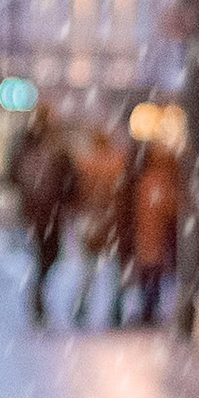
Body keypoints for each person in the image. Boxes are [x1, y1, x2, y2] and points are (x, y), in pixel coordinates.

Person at [10, 106, 78, 331]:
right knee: (49, 253)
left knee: (44, 253)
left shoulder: (27, 144)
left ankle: (37, 291)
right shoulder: (54, 147)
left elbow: (13, 174)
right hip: (48, 210)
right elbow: (69, 179)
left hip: (36, 210)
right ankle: (38, 293)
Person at [125, 128, 183, 331]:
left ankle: (147, 310)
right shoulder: (164, 182)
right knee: (153, 277)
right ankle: (149, 310)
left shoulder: (146, 180)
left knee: (148, 277)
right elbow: (171, 209)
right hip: (156, 237)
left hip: (146, 236)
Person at [72, 123, 127, 327]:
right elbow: (123, 195)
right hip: (112, 221)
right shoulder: (117, 164)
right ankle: (116, 308)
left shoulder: (85, 164)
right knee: (114, 269)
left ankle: (82, 307)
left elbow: (77, 193)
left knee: (88, 268)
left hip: (90, 221)